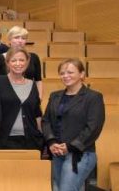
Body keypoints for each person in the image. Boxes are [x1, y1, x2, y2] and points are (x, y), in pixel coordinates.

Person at [43, 59, 105, 191]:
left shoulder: (93, 97)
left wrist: (70, 146)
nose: (65, 76)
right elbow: (46, 120)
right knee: (59, 188)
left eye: (70, 72)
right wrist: (51, 142)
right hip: (57, 152)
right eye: (62, 73)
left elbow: (93, 128)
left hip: (80, 153)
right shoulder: (55, 96)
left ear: (82, 74)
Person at [0, 48, 44, 151]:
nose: (18, 63)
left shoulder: (32, 84)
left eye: (21, 60)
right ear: (7, 63)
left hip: (31, 141)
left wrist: (42, 136)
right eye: (14, 60)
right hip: (3, 140)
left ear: (27, 62)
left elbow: (37, 113)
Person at [0, 26, 43, 96]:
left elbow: (38, 80)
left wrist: (39, 97)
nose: (20, 41)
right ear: (9, 40)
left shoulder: (34, 57)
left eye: (23, 38)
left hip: (28, 96)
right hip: (5, 97)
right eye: (16, 37)